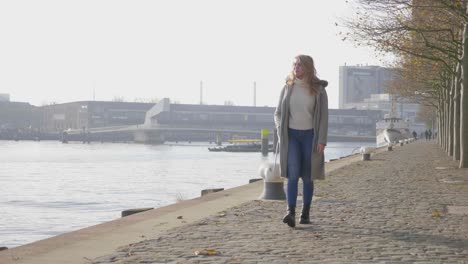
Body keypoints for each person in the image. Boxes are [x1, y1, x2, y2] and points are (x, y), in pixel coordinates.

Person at [274, 54, 328, 228]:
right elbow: (278, 113)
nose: (296, 67)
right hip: (291, 136)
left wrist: (321, 139)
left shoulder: (319, 89)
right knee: (292, 174)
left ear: (308, 67)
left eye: (300, 65)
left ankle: (305, 213)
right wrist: (280, 131)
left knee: (307, 176)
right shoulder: (287, 87)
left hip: (310, 136)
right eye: (294, 64)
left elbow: (324, 118)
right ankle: (290, 212)